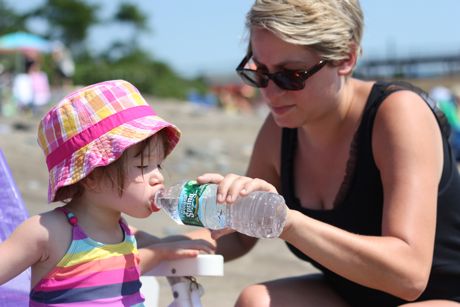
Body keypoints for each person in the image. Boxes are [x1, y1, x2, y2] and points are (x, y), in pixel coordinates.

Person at [190, 1, 460, 306]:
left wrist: (286, 222)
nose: (270, 92)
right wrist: (143, 249)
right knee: (256, 301)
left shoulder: (398, 115)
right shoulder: (280, 128)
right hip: (351, 293)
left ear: (346, 58)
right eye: (260, 72)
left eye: (290, 75)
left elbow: (408, 276)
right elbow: (238, 235)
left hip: (442, 296)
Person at [0, 80, 214, 305]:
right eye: (143, 166)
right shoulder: (47, 232)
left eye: (158, 165)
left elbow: (172, 244)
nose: (158, 177)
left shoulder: (127, 234)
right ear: (91, 176)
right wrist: (160, 253)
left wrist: (215, 214)